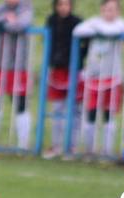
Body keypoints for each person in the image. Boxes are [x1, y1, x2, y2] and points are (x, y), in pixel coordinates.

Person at [73, 0, 124, 158]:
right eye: (105, 9)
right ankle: (89, 150)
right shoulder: (94, 22)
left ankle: (107, 150)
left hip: (112, 78)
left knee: (108, 114)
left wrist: (96, 29)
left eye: (112, 10)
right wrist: (96, 27)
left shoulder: (120, 24)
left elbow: (114, 31)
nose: (108, 13)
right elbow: (77, 31)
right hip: (93, 78)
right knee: (90, 113)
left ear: (118, 11)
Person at [0, 0, 34, 149]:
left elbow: (21, 25)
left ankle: (24, 143)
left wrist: (5, 23)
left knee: (20, 104)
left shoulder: (26, 7)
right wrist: (5, 18)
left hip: (18, 66)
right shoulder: (1, 8)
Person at [44, 0, 83, 158]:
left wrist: (79, 60)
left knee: (74, 110)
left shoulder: (77, 23)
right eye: (60, 5)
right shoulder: (51, 21)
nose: (63, 8)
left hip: (73, 70)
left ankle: (72, 146)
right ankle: (56, 145)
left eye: (66, 4)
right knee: (57, 109)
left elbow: (84, 45)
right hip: (57, 71)